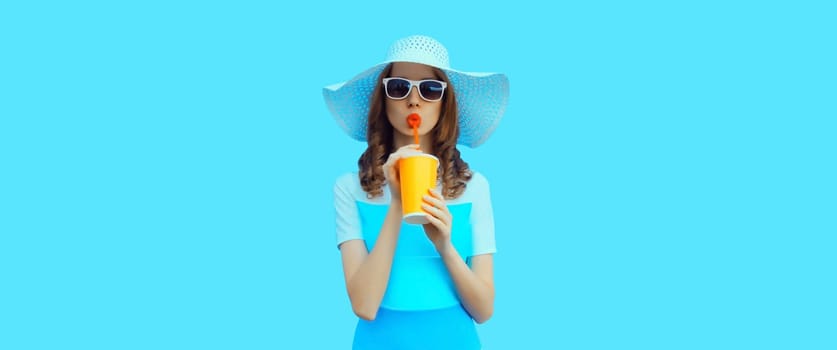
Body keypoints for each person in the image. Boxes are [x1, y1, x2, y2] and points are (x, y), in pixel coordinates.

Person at [323, 35, 509, 349]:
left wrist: (445, 247)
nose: (414, 101)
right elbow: (365, 306)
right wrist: (398, 203)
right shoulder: (348, 188)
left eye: (430, 89)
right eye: (398, 87)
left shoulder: (475, 187)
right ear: (383, 101)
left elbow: (484, 310)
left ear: (444, 102)